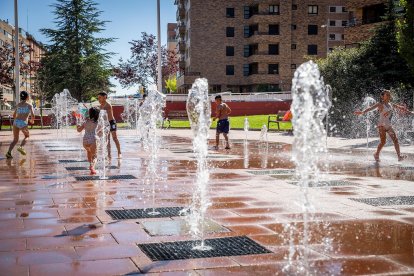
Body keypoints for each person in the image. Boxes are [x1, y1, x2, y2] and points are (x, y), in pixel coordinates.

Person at [354, 89, 409, 162]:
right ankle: (376, 154)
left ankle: (399, 156)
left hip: (388, 125)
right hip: (381, 125)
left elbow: (397, 106)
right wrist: (362, 112)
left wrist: (402, 108)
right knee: (383, 142)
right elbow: (370, 108)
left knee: (395, 140)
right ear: (383, 96)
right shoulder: (380, 104)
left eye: (389, 94)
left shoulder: (390, 104)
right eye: (387, 94)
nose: (389, 95)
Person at [5, 91, 35, 159]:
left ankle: (9, 153)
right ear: (27, 97)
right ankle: (21, 147)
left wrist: (17, 121)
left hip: (16, 122)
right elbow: (33, 115)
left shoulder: (18, 105)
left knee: (15, 139)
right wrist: (32, 120)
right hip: (23, 123)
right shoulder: (29, 105)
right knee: (27, 136)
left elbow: (14, 115)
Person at [97, 92, 121, 158]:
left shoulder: (108, 105)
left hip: (111, 122)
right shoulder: (101, 106)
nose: (98, 99)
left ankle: (119, 152)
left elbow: (103, 113)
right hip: (106, 124)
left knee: (115, 138)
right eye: (98, 98)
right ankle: (109, 154)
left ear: (105, 97)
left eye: (100, 97)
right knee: (107, 140)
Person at [77, 107, 99, 175]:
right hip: (93, 139)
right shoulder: (97, 122)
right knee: (95, 156)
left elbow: (79, 130)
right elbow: (102, 128)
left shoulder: (85, 121)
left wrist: (77, 126)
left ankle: (90, 164)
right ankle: (92, 168)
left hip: (85, 141)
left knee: (89, 152)